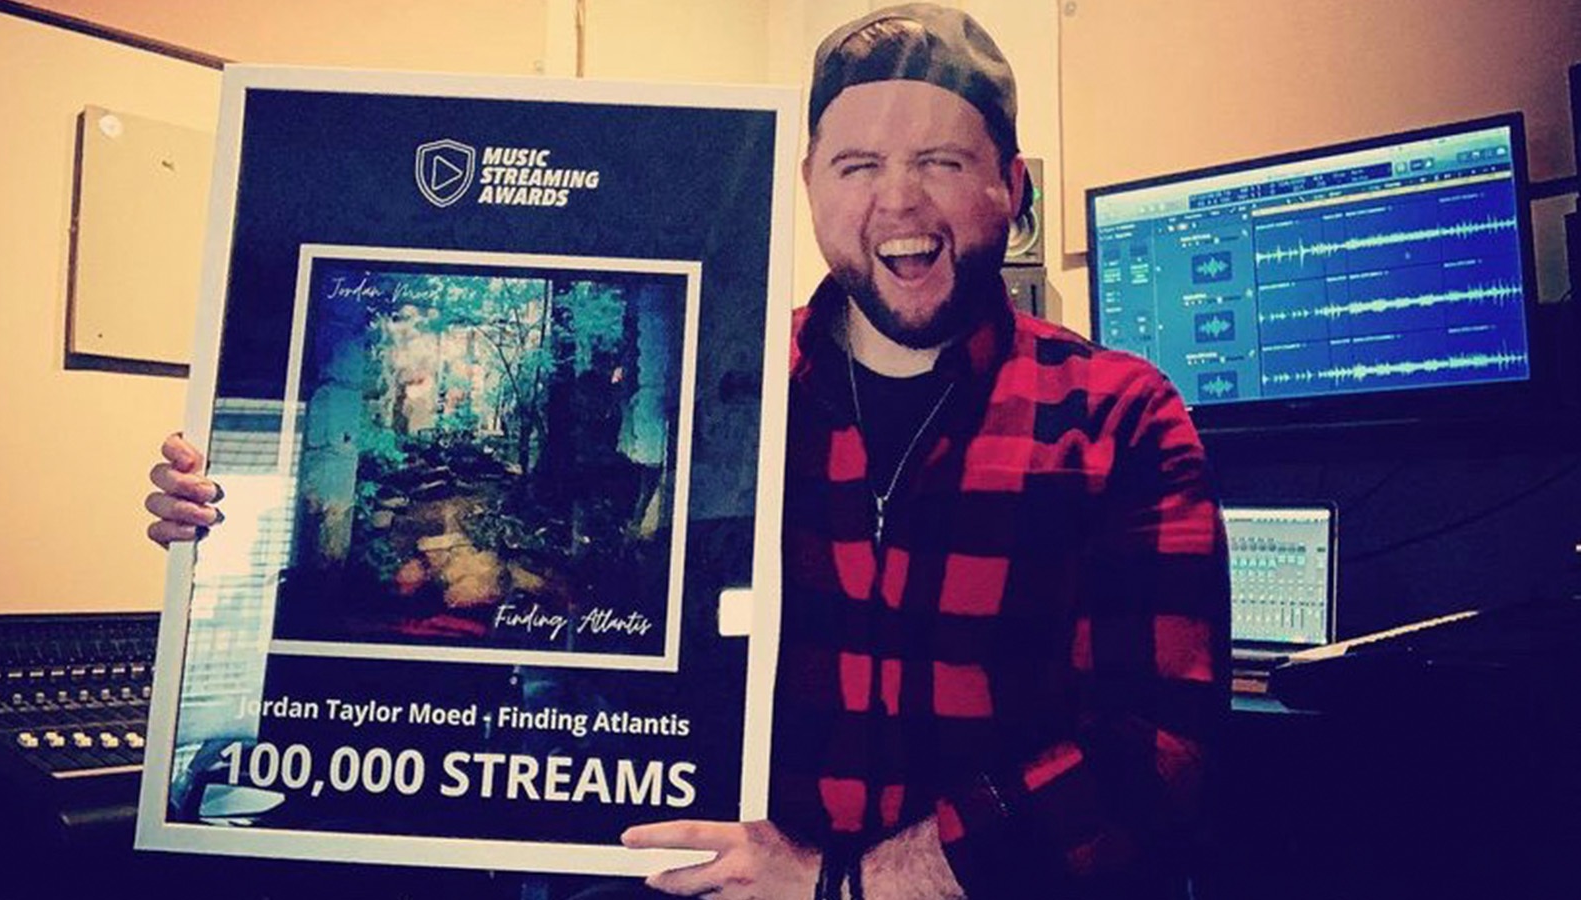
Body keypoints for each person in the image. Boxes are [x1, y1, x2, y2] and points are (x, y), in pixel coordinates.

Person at [148, 5, 1229, 899]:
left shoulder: (1118, 419)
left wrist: (846, 884)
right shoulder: (719, 399)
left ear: (1013, 189)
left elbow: (1159, 758)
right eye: (858, 164)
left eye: (941, 161)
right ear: (804, 183)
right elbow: (532, 629)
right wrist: (249, 528)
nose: (897, 201)